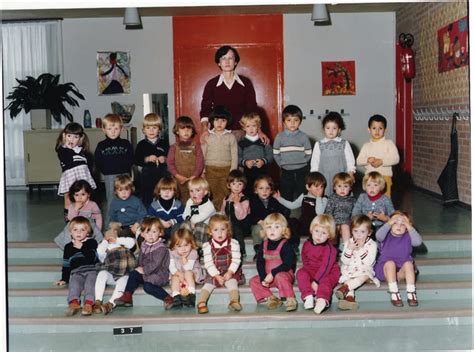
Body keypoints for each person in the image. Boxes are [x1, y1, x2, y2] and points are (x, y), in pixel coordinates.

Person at [115, 217, 174, 309]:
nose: (151, 235)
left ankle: (167, 297)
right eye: (147, 232)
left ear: (160, 233)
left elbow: (156, 264)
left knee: (147, 286)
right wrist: (139, 268)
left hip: (159, 274)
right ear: (142, 234)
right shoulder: (144, 245)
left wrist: (143, 269)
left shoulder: (161, 248)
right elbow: (141, 260)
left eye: (154, 232)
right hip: (146, 272)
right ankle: (127, 296)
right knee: (133, 274)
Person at [200, 45, 258, 133]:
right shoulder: (211, 84)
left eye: (230, 58)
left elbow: (252, 109)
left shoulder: (246, 83)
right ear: (219, 63)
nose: (227, 62)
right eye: (223, 58)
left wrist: (259, 131)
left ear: (235, 62)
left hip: (241, 131)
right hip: (219, 133)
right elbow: (205, 109)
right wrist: (204, 129)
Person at [249, 213, 297, 312]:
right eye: (269, 227)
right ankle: (271, 298)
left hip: (284, 274)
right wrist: (263, 277)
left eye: (277, 227)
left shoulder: (285, 245)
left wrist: (272, 273)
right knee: (253, 281)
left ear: (284, 230)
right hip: (268, 277)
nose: (272, 230)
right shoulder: (264, 244)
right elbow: (260, 262)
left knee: (280, 276)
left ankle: (290, 299)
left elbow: (287, 265)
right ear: (265, 230)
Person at [197, 214, 244, 314]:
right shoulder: (207, 246)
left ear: (228, 230)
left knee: (232, 283)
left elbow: (236, 260)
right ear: (210, 232)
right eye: (215, 230)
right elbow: (208, 263)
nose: (220, 233)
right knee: (208, 284)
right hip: (214, 271)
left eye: (223, 229)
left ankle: (234, 301)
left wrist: (230, 272)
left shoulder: (234, 243)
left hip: (229, 270)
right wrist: (216, 275)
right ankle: (201, 302)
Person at [374, 211, 422, 307]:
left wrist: (409, 226)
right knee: (390, 263)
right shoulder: (385, 236)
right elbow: (378, 236)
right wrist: (389, 222)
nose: (399, 226)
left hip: (400, 272)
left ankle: (411, 292)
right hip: (386, 271)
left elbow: (418, 242)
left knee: (408, 264)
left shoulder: (408, 236)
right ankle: (394, 292)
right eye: (395, 223)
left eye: (403, 224)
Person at [54, 216, 99, 316]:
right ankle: (74, 303)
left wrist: (81, 247)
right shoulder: (68, 247)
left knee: (90, 284)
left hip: (91, 270)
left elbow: (93, 258)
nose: (78, 232)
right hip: (77, 272)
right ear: (70, 232)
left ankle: (88, 303)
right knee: (74, 284)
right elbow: (66, 264)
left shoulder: (92, 242)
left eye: (82, 230)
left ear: (87, 233)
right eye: (75, 230)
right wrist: (64, 279)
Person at [94, 113, 133, 226]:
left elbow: (131, 158)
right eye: (109, 128)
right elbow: (98, 161)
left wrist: (126, 170)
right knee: (111, 200)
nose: (113, 131)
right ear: (104, 129)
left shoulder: (125, 143)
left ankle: (126, 222)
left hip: (124, 175)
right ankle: (109, 225)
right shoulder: (101, 145)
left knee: (126, 198)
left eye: (116, 128)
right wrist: (106, 171)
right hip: (110, 176)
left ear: (121, 129)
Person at [297, 214, 340, 315]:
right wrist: (309, 274)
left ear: (329, 235)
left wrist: (316, 281)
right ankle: (308, 296)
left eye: (324, 233)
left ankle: (322, 300)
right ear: (312, 230)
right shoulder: (307, 244)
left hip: (329, 272)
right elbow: (305, 260)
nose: (319, 235)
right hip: (313, 270)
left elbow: (326, 267)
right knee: (300, 273)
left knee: (325, 282)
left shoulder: (330, 249)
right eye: (317, 231)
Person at [336, 215, 379, 310]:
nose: (359, 235)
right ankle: (350, 299)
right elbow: (344, 261)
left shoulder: (372, 245)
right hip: (350, 268)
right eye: (355, 231)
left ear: (369, 232)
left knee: (365, 275)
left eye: (362, 232)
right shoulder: (349, 243)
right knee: (348, 276)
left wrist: (360, 249)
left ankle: (345, 288)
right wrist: (349, 249)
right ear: (352, 231)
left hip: (364, 269)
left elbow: (368, 263)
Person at [55, 122, 96, 220]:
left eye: (75, 137)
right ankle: (68, 219)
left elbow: (88, 165)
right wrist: (69, 147)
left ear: (80, 138)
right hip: (70, 176)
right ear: (64, 136)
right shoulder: (62, 150)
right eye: (69, 136)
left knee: (84, 197)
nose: (71, 139)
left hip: (83, 176)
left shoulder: (82, 151)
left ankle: (85, 218)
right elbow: (68, 161)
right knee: (68, 198)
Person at [93, 223, 136, 315]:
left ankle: (110, 304)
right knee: (102, 274)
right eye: (107, 235)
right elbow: (99, 252)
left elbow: (132, 242)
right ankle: (98, 301)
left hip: (124, 270)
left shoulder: (124, 243)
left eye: (113, 234)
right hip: (111, 271)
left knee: (124, 280)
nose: (110, 236)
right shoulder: (105, 247)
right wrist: (105, 241)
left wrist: (117, 240)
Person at [310, 111, 355, 196]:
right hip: (324, 176)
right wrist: (314, 176)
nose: (331, 131)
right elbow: (315, 162)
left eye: (334, 128)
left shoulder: (344, 143)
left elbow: (350, 160)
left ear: (339, 130)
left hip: (341, 177)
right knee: (325, 197)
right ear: (323, 129)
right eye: (328, 128)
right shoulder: (319, 144)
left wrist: (351, 172)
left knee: (342, 196)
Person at [201, 105, 238, 209]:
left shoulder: (231, 137)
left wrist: (233, 171)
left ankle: (225, 213)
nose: (219, 123)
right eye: (216, 120)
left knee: (225, 192)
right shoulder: (207, 136)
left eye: (223, 120)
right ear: (212, 121)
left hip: (226, 170)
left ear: (227, 122)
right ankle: (212, 214)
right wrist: (202, 170)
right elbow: (203, 154)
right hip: (210, 170)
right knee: (211, 192)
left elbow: (234, 155)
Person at [273, 105, 312, 201]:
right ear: (284, 122)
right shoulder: (280, 137)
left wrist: (303, 162)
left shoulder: (303, 136)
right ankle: (286, 214)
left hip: (301, 171)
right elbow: (276, 153)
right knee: (286, 194)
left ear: (300, 122)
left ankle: (304, 213)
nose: (292, 123)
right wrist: (281, 163)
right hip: (286, 171)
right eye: (289, 120)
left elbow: (308, 152)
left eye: (296, 120)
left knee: (303, 193)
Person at [356, 114, 400, 197]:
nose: (377, 131)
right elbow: (358, 161)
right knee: (371, 199)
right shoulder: (366, 145)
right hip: (370, 178)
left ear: (385, 130)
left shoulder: (389, 143)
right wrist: (367, 160)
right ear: (369, 130)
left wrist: (382, 161)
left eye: (380, 128)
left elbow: (396, 159)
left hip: (384, 177)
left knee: (385, 200)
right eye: (374, 128)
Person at [275, 171, 328, 238]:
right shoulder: (304, 197)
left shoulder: (323, 199)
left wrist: (318, 197)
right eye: (316, 186)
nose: (319, 189)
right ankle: (293, 241)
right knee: (292, 221)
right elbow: (292, 205)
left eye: (321, 187)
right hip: (303, 224)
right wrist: (279, 198)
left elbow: (319, 212)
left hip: (315, 226)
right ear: (308, 187)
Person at [248, 175, 290, 259]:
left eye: (267, 188)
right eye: (261, 188)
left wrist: (279, 200)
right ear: (256, 190)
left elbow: (285, 212)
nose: (264, 191)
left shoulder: (274, 201)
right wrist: (258, 221)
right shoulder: (252, 201)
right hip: (259, 224)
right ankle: (259, 251)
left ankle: (279, 249)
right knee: (257, 229)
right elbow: (249, 216)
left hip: (272, 224)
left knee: (279, 227)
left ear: (271, 190)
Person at [54, 180, 103, 250]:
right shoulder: (72, 206)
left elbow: (98, 217)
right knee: (68, 231)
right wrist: (76, 209)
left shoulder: (92, 204)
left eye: (83, 194)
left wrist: (98, 228)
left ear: (88, 194)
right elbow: (70, 219)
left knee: (96, 237)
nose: (80, 197)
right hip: (75, 224)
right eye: (76, 195)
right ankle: (69, 247)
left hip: (88, 224)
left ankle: (91, 249)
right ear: (73, 196)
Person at [167, 116, 204, 204]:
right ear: (177, 131)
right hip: (178, 179)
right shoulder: (173, 147)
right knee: (178, 199)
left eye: (189, 128)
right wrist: (177, 175)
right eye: (183, 128)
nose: (186, 131)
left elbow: (200, 163)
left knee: (194, 199)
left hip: (193, 179)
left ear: (192, 131)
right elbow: (169, 163)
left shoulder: (197, 146)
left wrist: (194, 176)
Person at [134, 113, 169, 207]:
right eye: (148, 128)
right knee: (147, 197)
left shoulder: (164, 143)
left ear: (159, 129)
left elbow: (171, 158)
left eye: (154, 127)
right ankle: (148, 215)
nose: (151, 130)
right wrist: (147, 159)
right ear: (144, 130)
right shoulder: (141, 144)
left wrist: (165, 159)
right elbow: (137, 160)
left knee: (163, 194)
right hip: (147, 175)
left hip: (162, 174)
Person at [238, 112, 274, 197]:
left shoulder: (263, 140)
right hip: (248, 172)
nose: (251, 129)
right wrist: (245, 162)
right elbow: (238, 157)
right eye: (248, 126)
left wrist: (263, 161)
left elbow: (271, 155)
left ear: (258, 127)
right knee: (249, 191)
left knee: (263, 190)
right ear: (243, 128)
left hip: (262, 171)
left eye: (254, 126)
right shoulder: (241, 142)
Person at [168, 228, 205, 308]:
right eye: (179, 246)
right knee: (174, 276)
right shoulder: (172, 252)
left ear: (191, 243)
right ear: (174, 246)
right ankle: (176, 296)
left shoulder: (193, 252)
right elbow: (171, 266)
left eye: (186, 245)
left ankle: (191, 295)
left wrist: (184, 260)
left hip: (192, 274)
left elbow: (189, 268)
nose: (183, 249)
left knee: (188, 273)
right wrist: (178, 273)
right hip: (179, 274)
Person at [221, 170, 250, 258]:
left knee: (235, 227)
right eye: (233, 184)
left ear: (244, 186)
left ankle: (241, 250)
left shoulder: (245, 199)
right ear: (228, 185)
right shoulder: (226, 199)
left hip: (242, 226)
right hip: (230, 224)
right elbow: (223, 212)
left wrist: (237, 203)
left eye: (239, 184)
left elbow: (241, 216)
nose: (236, 186)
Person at [108, 175, 147, 241]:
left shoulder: (136, 200)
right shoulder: (114, 202)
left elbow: (143, 213)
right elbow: (112, 216)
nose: (124, 193)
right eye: (120, 190)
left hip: (136, 223)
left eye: (126, 189)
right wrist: (115, 227)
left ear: (131, 189)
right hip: (122, 226)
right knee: (120, 236)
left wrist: (137, 224)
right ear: (116, 191)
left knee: (144, 235)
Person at [181, 177, 216, 248]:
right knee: (185, 223)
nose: (194, 194)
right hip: (192, 226)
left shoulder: (209, 206)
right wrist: (189, 220)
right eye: (191, 191)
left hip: (207, 230)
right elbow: (184, 215)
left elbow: (196, 220)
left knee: (200, 226)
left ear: (205, 192)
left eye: (197, 190)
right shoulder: (190, 201)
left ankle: (199, 249)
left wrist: (195, 205)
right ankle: (184, 245)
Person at [147, 176, 184, 241]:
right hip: (159, 230)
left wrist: (171, 222)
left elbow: (182, 217)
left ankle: (173, 242)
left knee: (178, 226)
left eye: (170, 190)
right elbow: (149, 217)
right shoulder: (154, 205)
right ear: (159, 191)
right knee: (150, 227)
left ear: (174, 192)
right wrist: (160, 222)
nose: (167, 193)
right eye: (164, 190)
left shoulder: (178, 204)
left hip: (173, 230)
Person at [324, 172, 356, 244]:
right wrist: (331, 222)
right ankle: (332, 247)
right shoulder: (332, 198)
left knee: (345, 227)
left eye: (345, 186)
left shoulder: (352, 200)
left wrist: (352, 221)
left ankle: (347, 247)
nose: (342, 189)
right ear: (334, 187)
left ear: (350, 187)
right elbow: (328, 212)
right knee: (335, 227)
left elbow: (355, 213)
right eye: (339, 186)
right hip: (334, 221)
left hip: (347, 222)